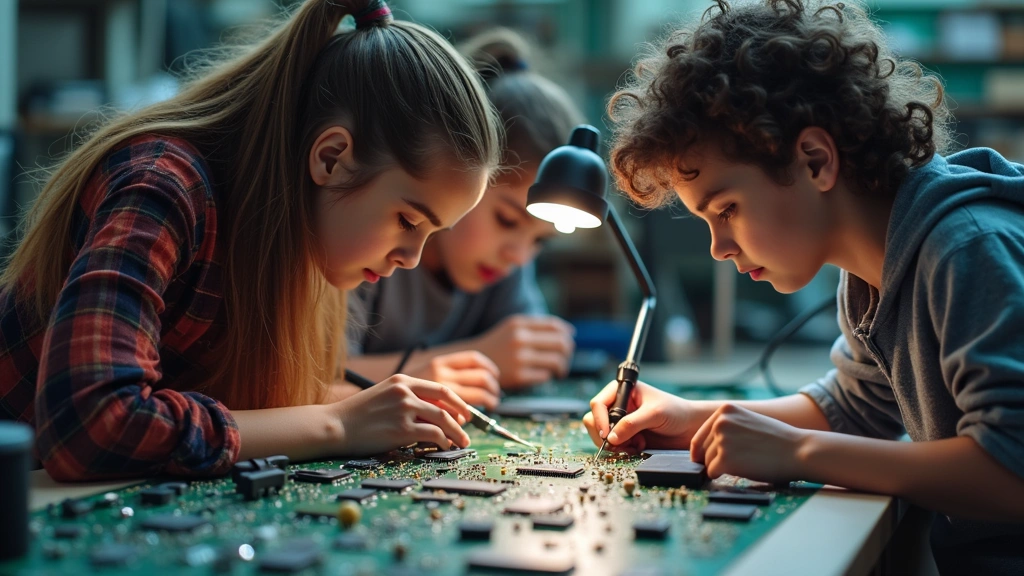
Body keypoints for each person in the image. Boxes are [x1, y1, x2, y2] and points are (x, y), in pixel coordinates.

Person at [584, 1, 1024, 572]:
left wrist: (799, 454)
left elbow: (1011, 469)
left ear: (815, 160)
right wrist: (695, 418)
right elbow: (852, 407)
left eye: (728, 209)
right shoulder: (875, 271)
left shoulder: (965, 247)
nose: (718, 247)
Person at [0, 0, 502, 481]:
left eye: (431, 235)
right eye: (409, 221)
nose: (411, 258)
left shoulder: (296, 234)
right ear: (330, 159)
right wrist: (339, 425)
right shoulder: (160, 185)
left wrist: (353, 405)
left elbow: (237, 400)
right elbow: (92, 427)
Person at [347, 29, 583, 408]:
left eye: (541, 239)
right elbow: (317, 382)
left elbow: (525, 363)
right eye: (507, 220)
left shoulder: (501, 264)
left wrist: (535, 354)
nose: (519, 256)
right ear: (463, 178)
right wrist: (474, 359)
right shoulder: (371, 245)